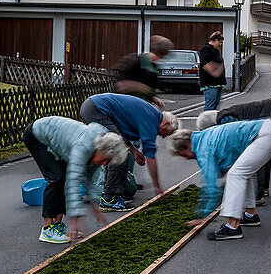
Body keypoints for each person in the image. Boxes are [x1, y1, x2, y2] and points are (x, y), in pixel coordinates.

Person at [168, 118, 271, 240]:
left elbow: (211, 185)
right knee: (243, 172)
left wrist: (202, 215)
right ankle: (250, 215)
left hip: (266, 135)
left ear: (188, 144)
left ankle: (232, 227)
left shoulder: (203, 149)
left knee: (236, 174)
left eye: (183, 154)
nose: (186, 159)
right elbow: (222, 166)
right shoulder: (204, 137)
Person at [23, 116, 129, 244]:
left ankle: (57, 225)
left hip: (58, 142)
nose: (105, 163)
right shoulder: (84, 147)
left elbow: (87, 180)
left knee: (63, 177)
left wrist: (94, 204)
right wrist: (75, 219)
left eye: (108, 162)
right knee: (56, 179)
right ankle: (47, 229)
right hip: (37, 136)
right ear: (101, 149)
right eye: (106, 159)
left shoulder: (96, 151)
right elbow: (73, 182)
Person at [79, 93, 179, 210]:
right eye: (167, 133)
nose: (163, 136)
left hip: (94, 106)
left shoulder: (152, 116)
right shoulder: (151, 121)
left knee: (117, 148)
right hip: (97, 108)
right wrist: (157, 187)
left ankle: (109, 193)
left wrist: (134, 151)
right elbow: (150, 156)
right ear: (166, 124)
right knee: (118, 152)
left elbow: (120, 133)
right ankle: (110, 198)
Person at [195, 96, 271, 205]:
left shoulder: (225, 120)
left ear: (211, 126)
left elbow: (238, 147)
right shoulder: (226, 113)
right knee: (265, 154)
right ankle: (263, 189)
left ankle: (256, 195)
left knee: (256, 156)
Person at [114, 35, 173, 109]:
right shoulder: (135, 61)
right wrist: (145, 90)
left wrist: (153, 97)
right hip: (125, 103)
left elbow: (150, 87)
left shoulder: (154, 67)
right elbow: (121, 85)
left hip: (140, 105)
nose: (160, 59)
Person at [198, 31, 227, 110]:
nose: (220, 45)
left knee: (214, 104)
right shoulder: (206, 49)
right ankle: (206, 121)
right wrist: (214, 72)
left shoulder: (215, 51)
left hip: (217, 82)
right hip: (210, 83)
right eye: (220, 42)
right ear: (216, 40)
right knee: (210, 105)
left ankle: (212, 121)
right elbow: (204, 64)